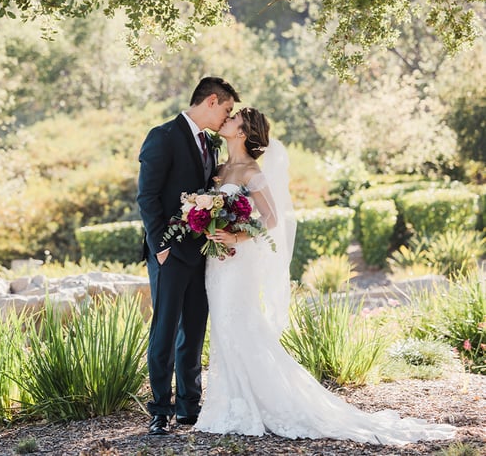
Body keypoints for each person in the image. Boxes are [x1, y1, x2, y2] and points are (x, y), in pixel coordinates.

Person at [195, 107, 457, 444]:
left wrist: (236, 236)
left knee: (240, 323)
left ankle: (260, 403)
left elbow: (272, 218)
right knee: (223, 325)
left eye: (233, 119)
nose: (226, 120)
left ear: (243, 132)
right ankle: (230, 402)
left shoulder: (249, 170)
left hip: (239, 259)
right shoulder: (219, 166)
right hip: (217, 262)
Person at [137, 76, 240, 436]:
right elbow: (146, 197)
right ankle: (159, 411)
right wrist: (160, 246)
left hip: (202, 254)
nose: (227, 117)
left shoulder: (209, 144)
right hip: (169, 253)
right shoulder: (162, 136)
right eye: (227, 109)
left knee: (194, 332)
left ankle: (188, 408)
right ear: (211, 101)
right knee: (164, 332)